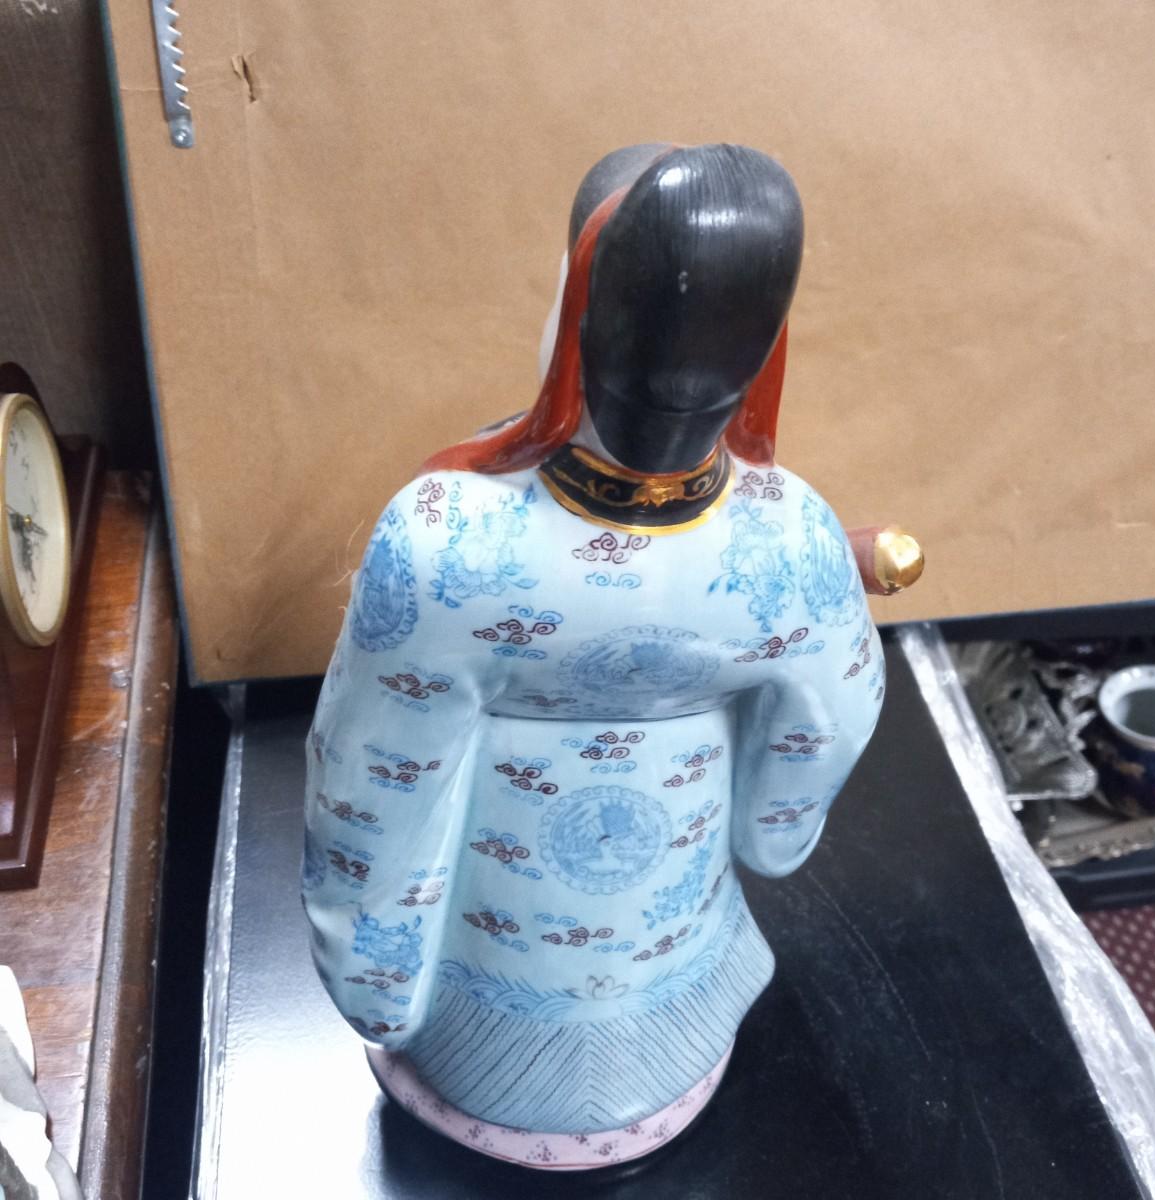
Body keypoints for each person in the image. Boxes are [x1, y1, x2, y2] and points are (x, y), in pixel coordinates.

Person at [302, 143, 920, 1149]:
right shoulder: (793, 536)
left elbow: (373, 777)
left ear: (573, 315)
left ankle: (471, 1055)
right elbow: (830, 723)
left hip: (484, 960)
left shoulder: (448, 540)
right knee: (666, 960)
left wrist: (376, 977)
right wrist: (772, 823)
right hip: (669, 914)